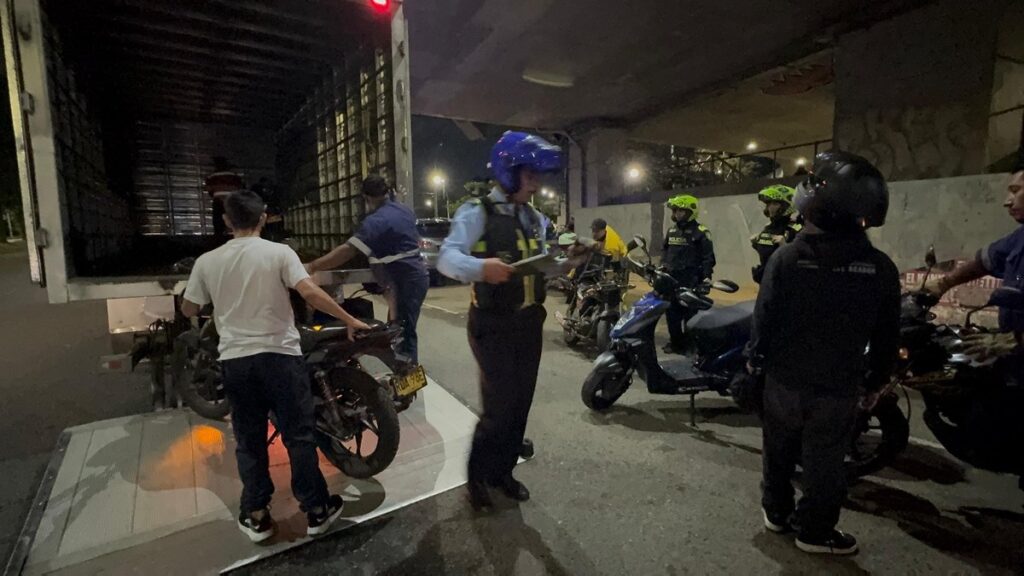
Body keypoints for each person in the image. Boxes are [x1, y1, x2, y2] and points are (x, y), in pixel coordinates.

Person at [181, 190, 370, 543]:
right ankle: (315, 510)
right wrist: (348, 318)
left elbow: (190, 309)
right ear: (264, 218)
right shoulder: (280, 253)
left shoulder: (208, 261)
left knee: (249, 441)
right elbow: (309, 293)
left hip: (237, 363)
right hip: (281, 359)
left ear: (226, 221)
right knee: (299, 436)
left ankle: (256, 515)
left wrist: (200, 300)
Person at [747, 151, 900, 556]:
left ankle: (776, 513)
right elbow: (886, 334)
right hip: (837, 384)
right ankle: (814, 532)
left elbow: (764, 320)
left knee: (778, 448)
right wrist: (876, 381)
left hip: (784, 380)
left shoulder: (787, 257)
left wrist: (754, 362)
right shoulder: (880, 268)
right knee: (825, 459)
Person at [436, 131, 562, 511]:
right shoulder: (476, 212)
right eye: (529, 173)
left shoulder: (533, 216)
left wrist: (568, 262)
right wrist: (479, 267)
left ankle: (503, 473)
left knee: (520, 404)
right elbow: (446, 258)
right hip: (493, 325)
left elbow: (541, 263)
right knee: (498, 408)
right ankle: (477, 479)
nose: (536, 182)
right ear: (509, 172)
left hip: (529, 322)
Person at [306, 175, 429, 363]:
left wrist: (313, 266)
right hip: (414, 277)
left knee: (403, 333)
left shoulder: (376, 221)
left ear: (367, 198)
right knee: (399, 326)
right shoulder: (404, 211)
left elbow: (348, 251)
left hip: (403, 279)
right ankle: (403, 377)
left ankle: (407, 378)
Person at [923, 165, 1024, 357]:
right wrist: (943, 284)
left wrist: (1013, 339)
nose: (1007, 202)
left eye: (1015, 191)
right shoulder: (1019, 239)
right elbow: (984, 262)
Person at [662, 194, 716, 353]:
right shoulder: (671, 231)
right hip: (672, 280)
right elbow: (665, 250)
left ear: (690, 211)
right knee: (672, 314)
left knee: (690, 316)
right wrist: (662, 266)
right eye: (675, 210)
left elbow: (708, 258)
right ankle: (675, 343)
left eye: (680, 210)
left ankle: (690, 344)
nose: (677, 213)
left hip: (691, 280)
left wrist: (706, 278)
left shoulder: (701, 232)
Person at [751, 185, 802, 284]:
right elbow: (767, 256)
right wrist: (756, 243)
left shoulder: (796, 228)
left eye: (774, 203)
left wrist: (785, 247)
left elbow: (801, 260)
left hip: (787, 284)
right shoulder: (768, 228)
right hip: (767, 282)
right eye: (768, 204)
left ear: (786, 205)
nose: (770, 207)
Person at [204, 156, 245, 240]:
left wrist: (216, 195)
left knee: (218, 223)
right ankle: (236, 238)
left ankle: (218, 240)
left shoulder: (212, 176)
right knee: (234, 221)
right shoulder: (234, 176)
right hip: (232, 201)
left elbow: (209, 189)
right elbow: (240, 187)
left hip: (218, 201)